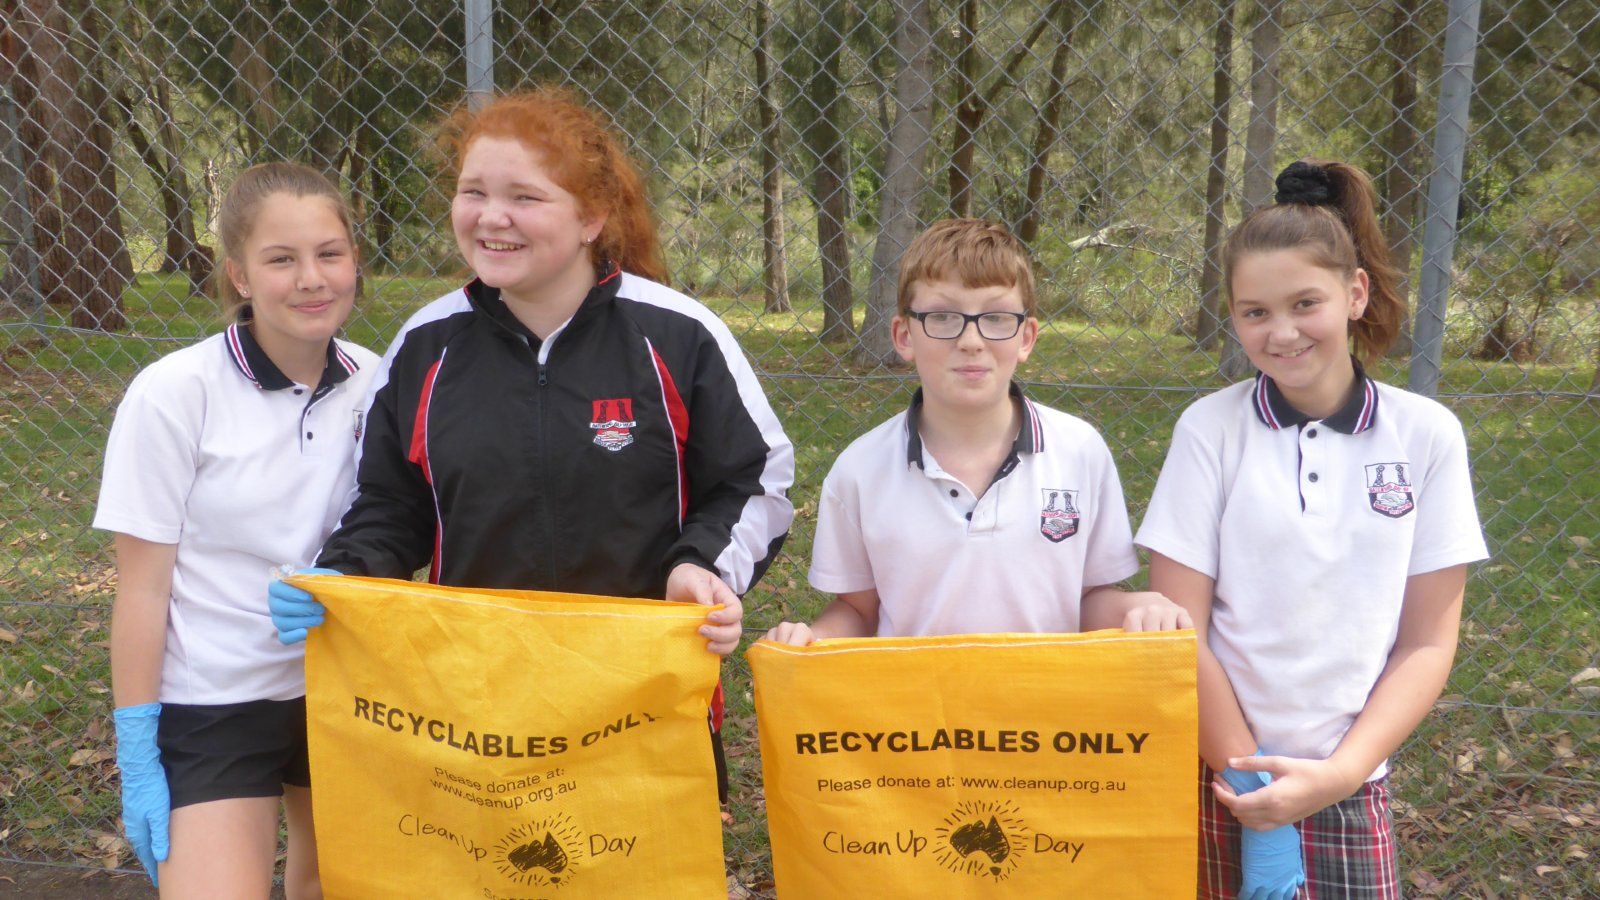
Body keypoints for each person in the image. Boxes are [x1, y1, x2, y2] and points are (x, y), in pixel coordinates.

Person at [268, 87, 795, 801]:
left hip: (640, 697)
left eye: (525, 197)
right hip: (476, 704)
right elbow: (391, 502)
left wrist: (701, 566)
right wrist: (346, 572)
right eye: (473, 192)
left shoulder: (677, 334)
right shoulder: (426, 347)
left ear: (592, 217)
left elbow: (755, 479)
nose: (492, 217)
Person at [1136, 160, 1489, 899]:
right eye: (1255, 312)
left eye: (1305, 303)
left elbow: (1427, 641)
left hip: (1346, 780)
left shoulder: (1425, 436)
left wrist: (1336, 774)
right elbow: (1177, 633)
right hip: (1221, 775)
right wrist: (1256, 799)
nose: (1283, 332)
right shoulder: (1210, 430)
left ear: (1354, 293)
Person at [96, 162, 378, 896]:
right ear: (240, 275)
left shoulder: (380, 383)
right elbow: (144, 588)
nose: (311, 278)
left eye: (330, 253)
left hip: (344, 688)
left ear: (355, 261)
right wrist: (137, 745)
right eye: (281, 259)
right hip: (214, 699)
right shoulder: (173, 394)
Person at [763, 218, 1189, 646]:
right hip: (915, 710)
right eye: (944, 317)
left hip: (1046, 709)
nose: (970, 340)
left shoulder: (1080, 452)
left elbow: (1089, 599)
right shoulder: (859, 470)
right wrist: (813, 639)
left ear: (1026, 337)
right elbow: (859, 610)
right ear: (903, 335)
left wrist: (1137, 607)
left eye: (996, 317)